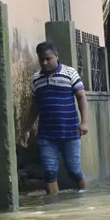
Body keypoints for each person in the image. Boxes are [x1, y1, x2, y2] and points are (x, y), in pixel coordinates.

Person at [19, 42, 88, 195]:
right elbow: (34, 106)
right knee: (49, 172)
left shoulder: (70, 73)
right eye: (41, 59)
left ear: (56, 56)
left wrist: (84, 122)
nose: (44, 62)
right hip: (47, 135)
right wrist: (27, 129)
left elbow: (81, 97)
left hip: (70, 132)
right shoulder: (36, 79)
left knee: (74, 170)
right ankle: (54, 206)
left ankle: (85, 198)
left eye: (48, 59)